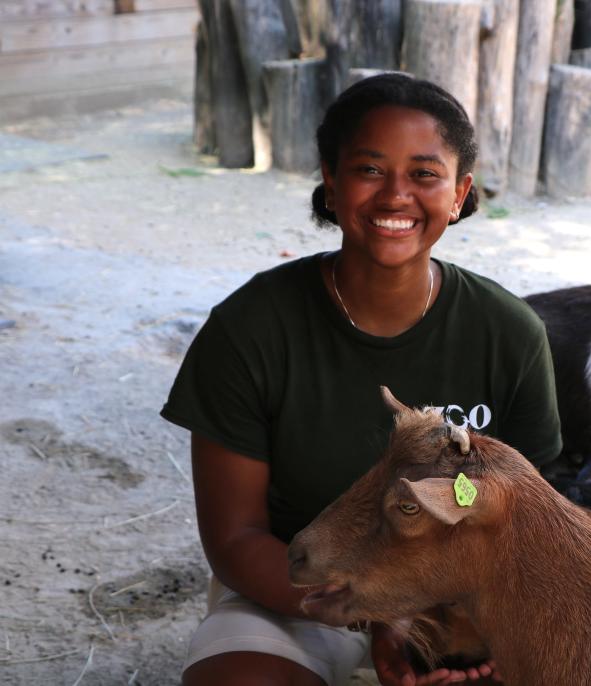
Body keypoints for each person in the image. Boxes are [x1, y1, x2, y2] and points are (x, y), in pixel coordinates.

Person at [161, 73, 562, 686]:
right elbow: (236, 538)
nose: (396, 195)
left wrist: (446, 622)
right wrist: (378, 614)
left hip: (459, 606)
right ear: (331, 178)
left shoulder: (509, 334)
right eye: (370, 169)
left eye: (424, 174)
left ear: (459, 194)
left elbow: (531, 529)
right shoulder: (248, 329)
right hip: (296, 594)